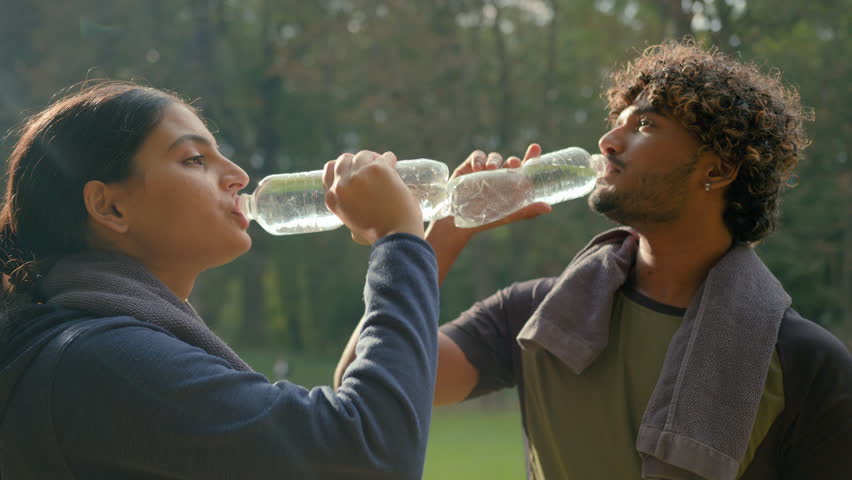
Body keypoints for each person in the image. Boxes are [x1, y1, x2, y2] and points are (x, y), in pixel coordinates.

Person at [335, 40, 852, 479]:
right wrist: (446, 227)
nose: (608, 141)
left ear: (716, 170)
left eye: (646, 125)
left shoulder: (807, 365)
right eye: (618, 122)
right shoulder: (535, 316)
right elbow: (365, 385)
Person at [0, 82, 440, 479]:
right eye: (194, 159)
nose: (239, 177)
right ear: (109, 207)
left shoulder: (83, 347)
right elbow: (369, 455)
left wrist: (421, 244)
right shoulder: (97, 362)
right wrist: (399, 243)